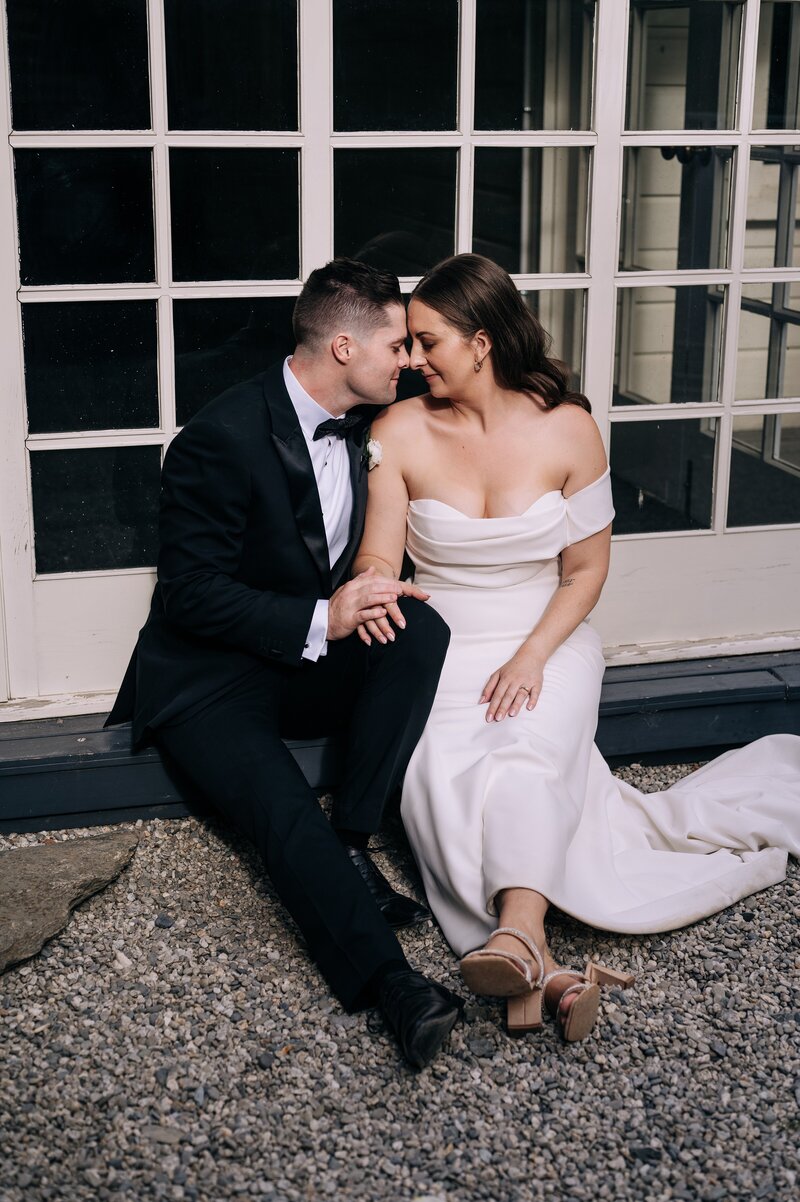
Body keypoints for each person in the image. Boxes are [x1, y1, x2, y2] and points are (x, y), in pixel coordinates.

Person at [354, 253, 800, 1043]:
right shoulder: (400, 430)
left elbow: (586, 572)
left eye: (427, 342)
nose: (412, 359)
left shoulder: (569, 428)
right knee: (441, 779)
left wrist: (532, 658)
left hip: (547, 631)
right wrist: (377, 590)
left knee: (522, 748)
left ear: (482, 342)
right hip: (442, 642)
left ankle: (518, 934)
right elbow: (380, 558)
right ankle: (542, 966)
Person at [106, 258, 463, 1069]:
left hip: (305, 659)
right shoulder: (216, 439)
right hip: (209, 678)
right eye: (397, 343)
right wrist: (322, 615)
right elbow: (190, 596)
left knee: (418, 630)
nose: (410, 359)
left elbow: (479, 401)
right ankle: (394, 987)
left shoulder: (380, 415)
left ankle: (354, 835)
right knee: (278, 806)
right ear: (342, 347)